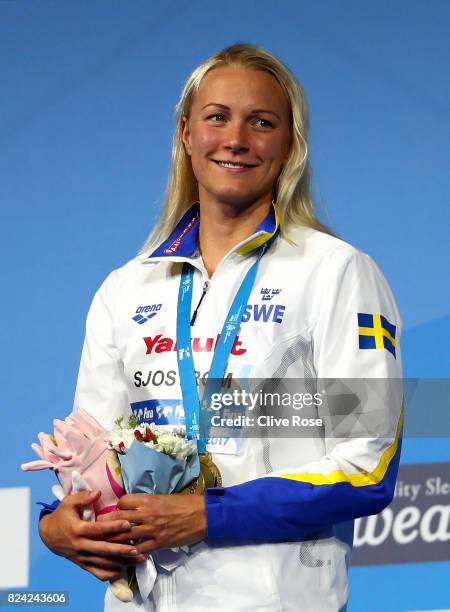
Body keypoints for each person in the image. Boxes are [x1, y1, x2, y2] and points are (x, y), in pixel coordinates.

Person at [38, 43, 403, 611]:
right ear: (186, 134)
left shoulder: (335, 271)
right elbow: (93, 457)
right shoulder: (126, 288)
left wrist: (207, 514)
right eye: (217, 117)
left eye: (261, 122)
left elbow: (369, 464)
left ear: (289, 147)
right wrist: (59, 524)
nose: (236, 139)